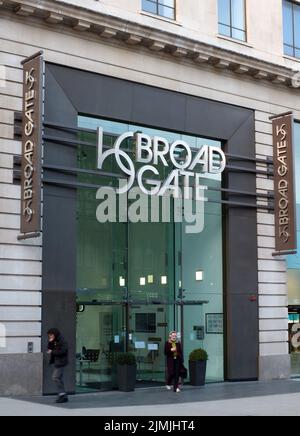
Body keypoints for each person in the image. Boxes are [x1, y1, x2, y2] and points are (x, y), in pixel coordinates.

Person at [47, 328, 69, 404]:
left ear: (55, 334)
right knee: (59, 378)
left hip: (61, 362)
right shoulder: (55, 340)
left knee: (55, 377)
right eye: (49, 335)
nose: (50, 336)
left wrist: (52, 351)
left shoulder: (62, 341)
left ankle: (62, 394)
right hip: (57, 362)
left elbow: (62, 351)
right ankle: (63, 396)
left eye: (51, 335)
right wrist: (50, 342)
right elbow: (49, 349)